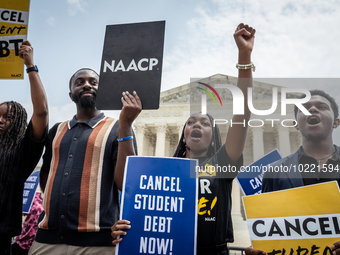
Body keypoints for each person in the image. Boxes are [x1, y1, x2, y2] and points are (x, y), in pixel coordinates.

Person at [111, 22, 256, 255]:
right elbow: (127, 183)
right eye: (191, 122)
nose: (197, 124)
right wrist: (127, 226)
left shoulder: (221, 165)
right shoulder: (166, 171)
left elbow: (242, 115)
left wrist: (244, 56)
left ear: (214, 137)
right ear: (184, 136)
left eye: (205, 123)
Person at [28, 68, 142, 255]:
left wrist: (126, 125)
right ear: (71, 94)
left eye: (93, 82)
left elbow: (125, 184)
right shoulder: (57, 130)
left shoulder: (118, 127)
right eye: (79, 82)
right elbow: (46, 174)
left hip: (98, 243)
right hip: (47, 239)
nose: (87, 84)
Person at [245, 90, 340, 255]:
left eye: (322, 106)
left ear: (336, 122)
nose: (312, 110)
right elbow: (270, 227)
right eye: (304, 108)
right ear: (295, 123)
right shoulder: (273, 172)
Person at [0, 41, 48, 255]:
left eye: (7, 117)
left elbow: (42, 113)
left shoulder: (22, 152)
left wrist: (30, 67)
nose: (1, 121)